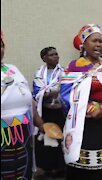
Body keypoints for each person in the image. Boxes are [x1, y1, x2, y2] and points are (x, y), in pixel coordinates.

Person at [60, 24, 102, 180]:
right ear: (83, 45)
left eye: (100, 41)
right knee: (91, 170)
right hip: (89, 126)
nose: (98, 45)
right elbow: (66, 95)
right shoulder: (75, 67)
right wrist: (90, 108)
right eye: (94, 41)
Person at [1, 30, 45, 179]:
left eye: (1, 45)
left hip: (23, 130)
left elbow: (27, 98)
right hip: (2, 133)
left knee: (22, 169)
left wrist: (40, 123)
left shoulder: (12, 69)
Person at [33, 46, 66, 178]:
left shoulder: (64, 72)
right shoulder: (39, 73)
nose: (56, 57)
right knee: (46, 139)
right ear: (44, 58)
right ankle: (47, 168)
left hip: (59, 112)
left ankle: (60, 168)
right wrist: (50, 92)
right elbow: (37, 92)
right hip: (45, 112)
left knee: (59, 139)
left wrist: (55, 92)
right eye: (52, 55)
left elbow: (67, 89)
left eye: (56, 54)